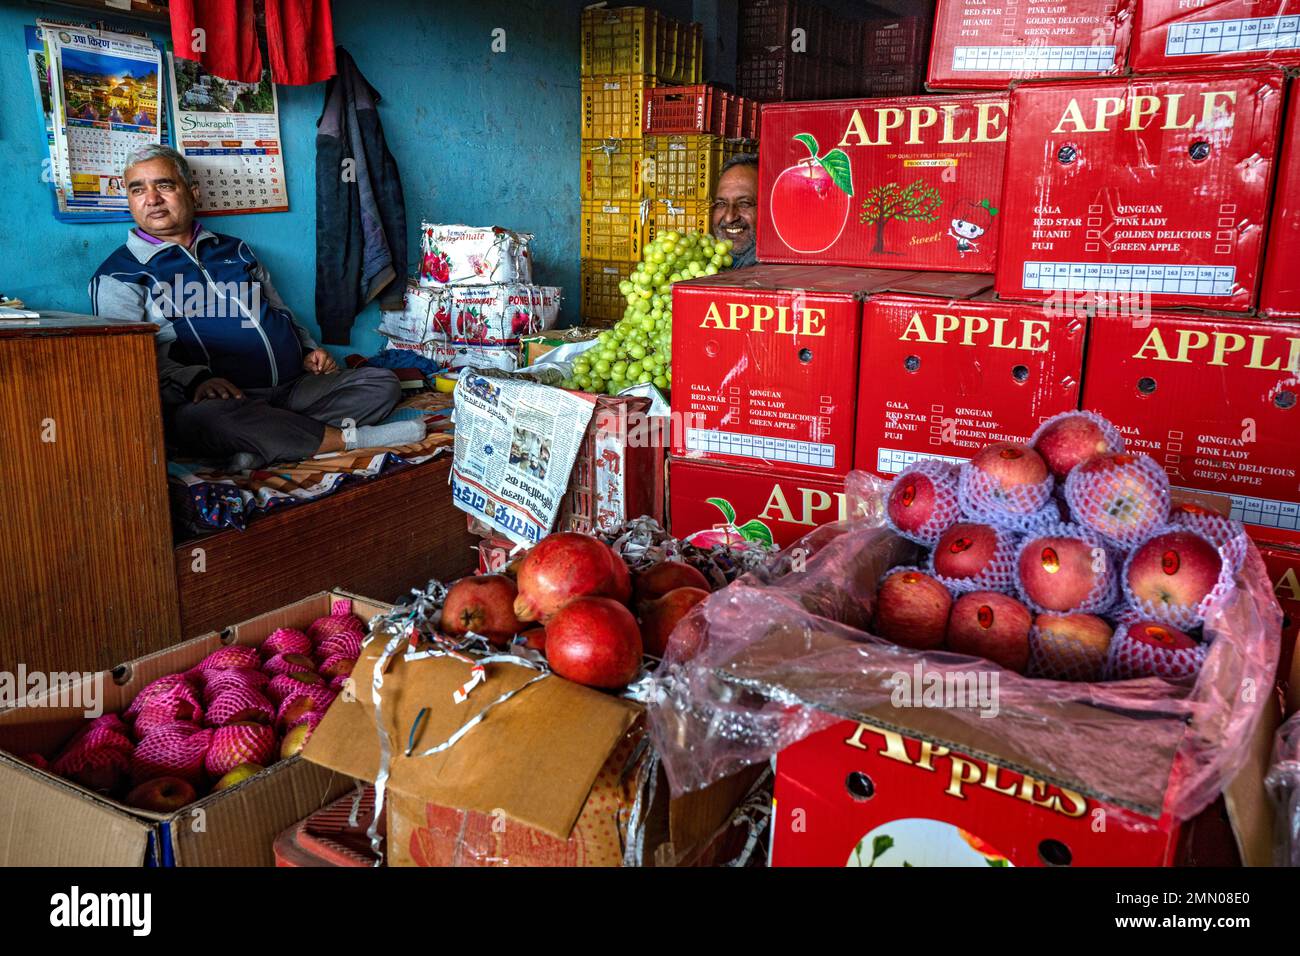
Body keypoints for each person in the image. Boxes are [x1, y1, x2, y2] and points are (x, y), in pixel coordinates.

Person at [90, 144, 421, 471]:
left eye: (164, 185)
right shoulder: (120, 273)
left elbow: (280, 310)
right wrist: (194, 381)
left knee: (381, 383)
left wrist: (308, 348)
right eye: (138, 190)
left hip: (291, 386)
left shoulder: (236, 250)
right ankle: (350, 440)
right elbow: (126, 363)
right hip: (218, 403)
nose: (152, 199)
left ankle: (267, 445)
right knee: (204, 421)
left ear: (193, 193)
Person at [710, 153, 759, 270]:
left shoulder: (772, 270)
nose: (729, 217)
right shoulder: (714, 262)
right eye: (721, 204)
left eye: (744, 203)